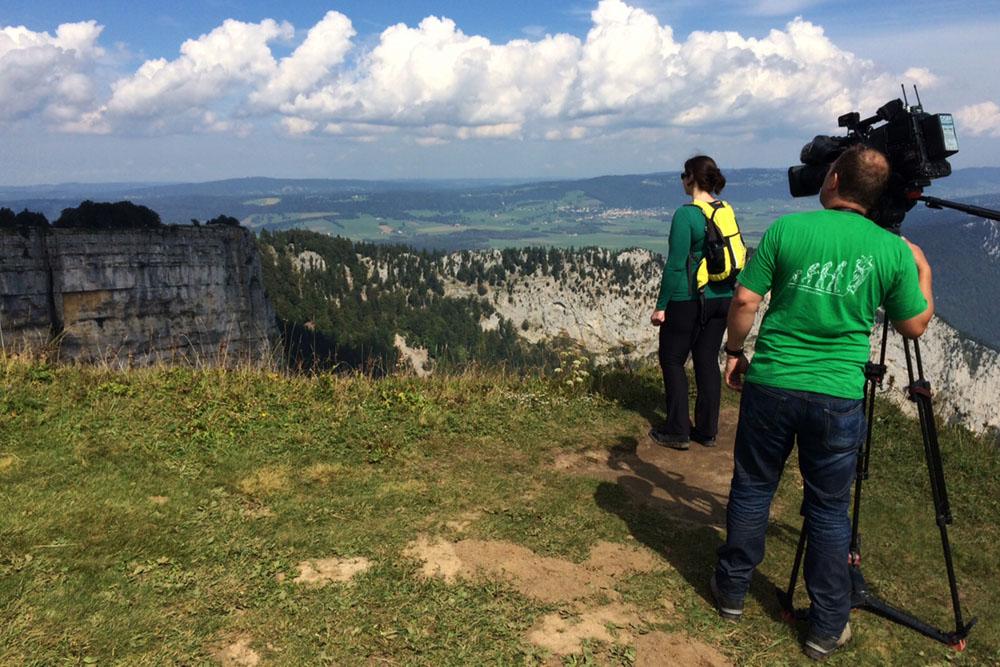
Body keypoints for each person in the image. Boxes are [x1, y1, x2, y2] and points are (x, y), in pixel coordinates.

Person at [710, 145, 934, 661]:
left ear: (832, 180)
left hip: (773, 381)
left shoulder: (789, 230)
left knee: (752, 486)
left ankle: (732, 592)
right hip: (837, 395)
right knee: (829, 509)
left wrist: (735, 352)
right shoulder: (891, 249)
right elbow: (914, 325)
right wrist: (921, 267)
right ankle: (826, 625)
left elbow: (745, 300)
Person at [649, 155, 735, 450]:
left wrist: (661, 305)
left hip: (689, 298)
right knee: (707, 360)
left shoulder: (686, 215)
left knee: (672, 359)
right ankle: (707, 430)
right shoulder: (724, 210)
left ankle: (677, 429)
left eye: (683, 175)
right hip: (723, 296)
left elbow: (675, 265)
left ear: (690, 179)